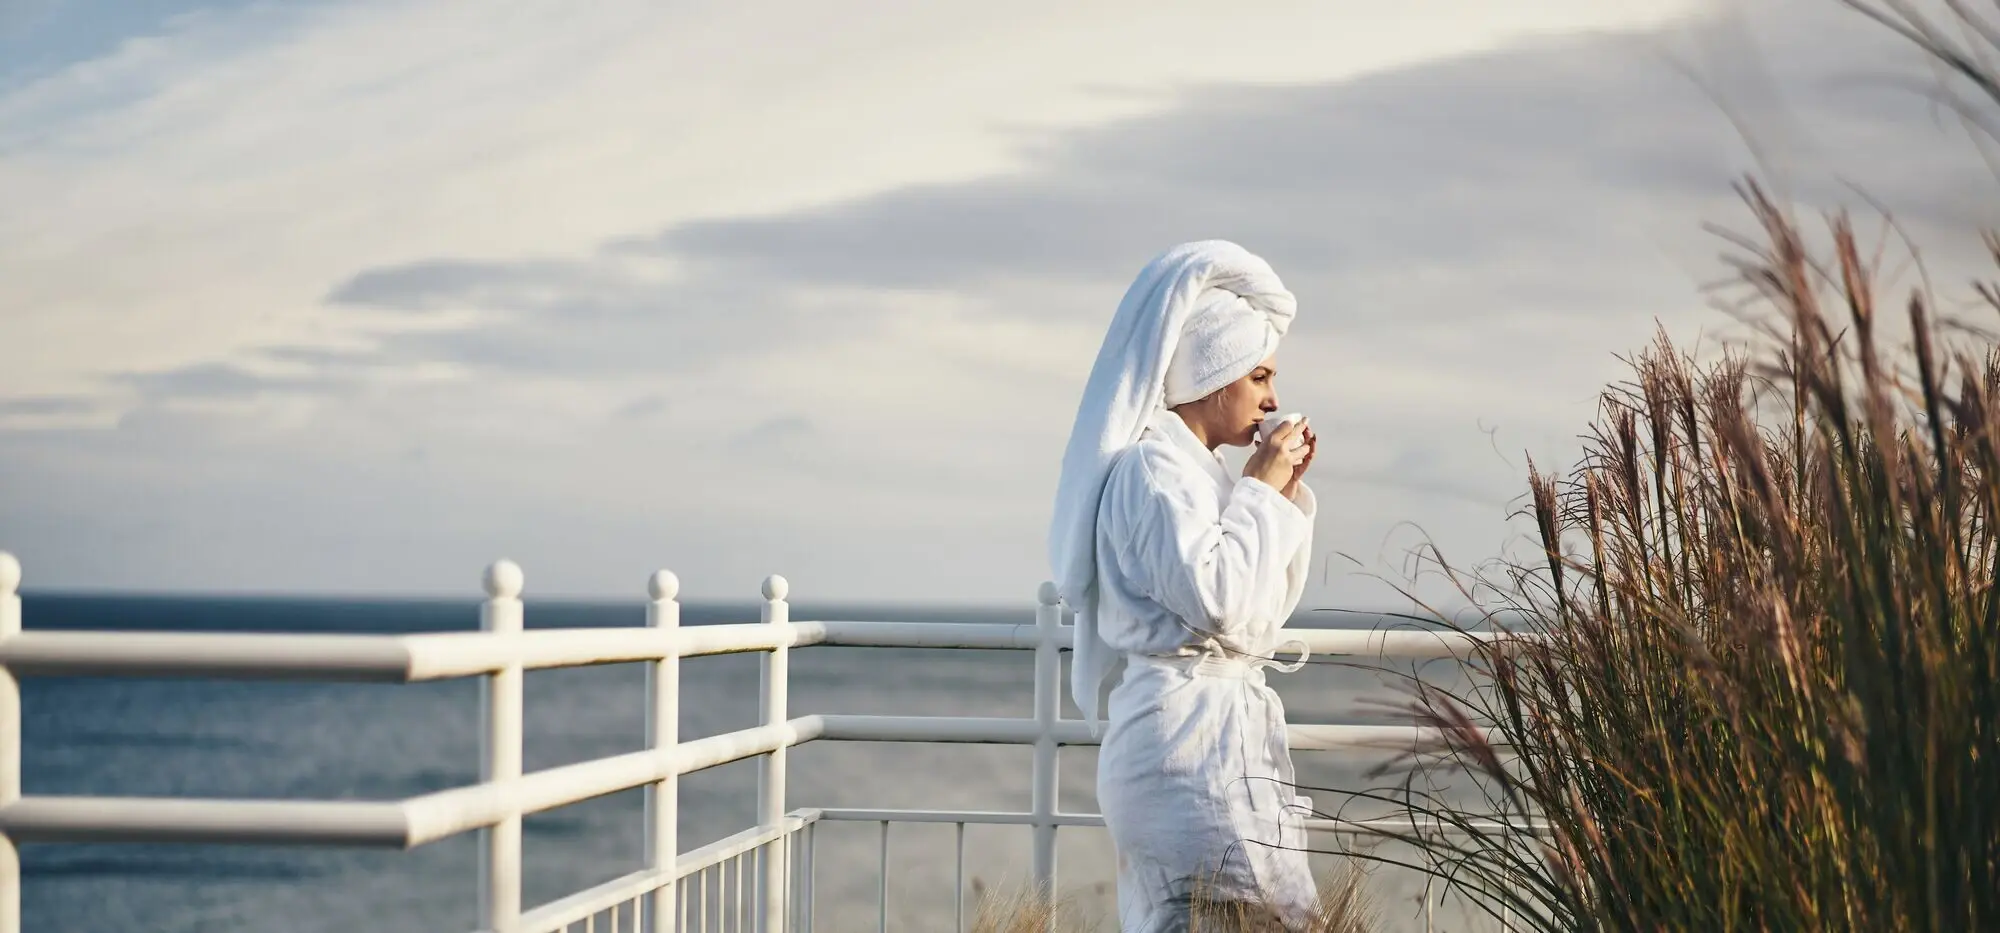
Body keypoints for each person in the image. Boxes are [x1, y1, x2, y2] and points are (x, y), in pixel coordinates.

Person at [1049, 240, 1320, 931]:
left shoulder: (1200, 476)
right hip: (1182, 755)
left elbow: (1260, 617)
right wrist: (1260, 488)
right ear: (1214, 372)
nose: (1272, 397)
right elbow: (1220, 598)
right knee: (1270, 917)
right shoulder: (1151, 474)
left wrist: (1281, 495)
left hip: (1210, 742)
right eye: (1258, 375)